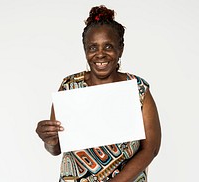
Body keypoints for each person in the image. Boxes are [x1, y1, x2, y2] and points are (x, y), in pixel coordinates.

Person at [36, 5, 161, 182]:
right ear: (85, 50)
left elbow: (151, 148)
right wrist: (49, 139)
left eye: (108, 46)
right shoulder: (69, 87)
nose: (100, 54)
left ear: (120, 49)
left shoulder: (137, 89)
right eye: (93, 47)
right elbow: (55, 149)